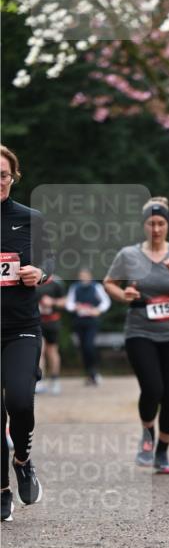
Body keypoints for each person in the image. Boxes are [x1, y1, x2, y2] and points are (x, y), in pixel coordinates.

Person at [103, 196, 169, 474]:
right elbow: (109, 282)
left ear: (167, 225)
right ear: (144, 225)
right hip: (140, 331)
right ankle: (147, 433)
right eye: (151, 223)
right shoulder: (129, 255)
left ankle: (162, 451)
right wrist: (123, 294)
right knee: (152, 387)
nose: (156, 228)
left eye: (161, 223)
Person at [1, 145, 52, 521]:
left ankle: (23, 460)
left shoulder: (30, 218)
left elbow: (48, 261)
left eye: (3, 175)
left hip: (21, 327)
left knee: (20, 401)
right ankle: (2, 492)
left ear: (13, 177)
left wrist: (39, 273)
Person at [65, 267, 111, 385]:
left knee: (89, 346)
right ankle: (89, 374)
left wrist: (97, 310)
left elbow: (106, 302)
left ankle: (94, 371)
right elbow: (69, 304)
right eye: (81, 275)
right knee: (83, 348)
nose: (83, 277)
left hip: (92, 322)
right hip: (79, 322)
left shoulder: (97, 287)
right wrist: (75, 306)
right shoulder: (75, 288)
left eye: (85, 275)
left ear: (90, 276)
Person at [36, 274, 67, 394]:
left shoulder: (56, 282)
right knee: (39, 350)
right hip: (36, 322)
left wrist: (52, 302)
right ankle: (39, 381)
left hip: (52, 321)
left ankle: (55, 380)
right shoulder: (29, 280)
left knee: (52, 351)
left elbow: (65, 302)